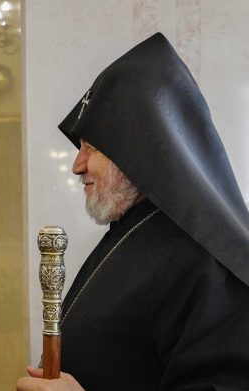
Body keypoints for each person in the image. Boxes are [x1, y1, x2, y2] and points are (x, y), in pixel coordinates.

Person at [17, 33, 249, 390]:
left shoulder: (208, 263)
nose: (77, 166)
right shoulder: (130, 229)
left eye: (90, 147)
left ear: (137, 152)